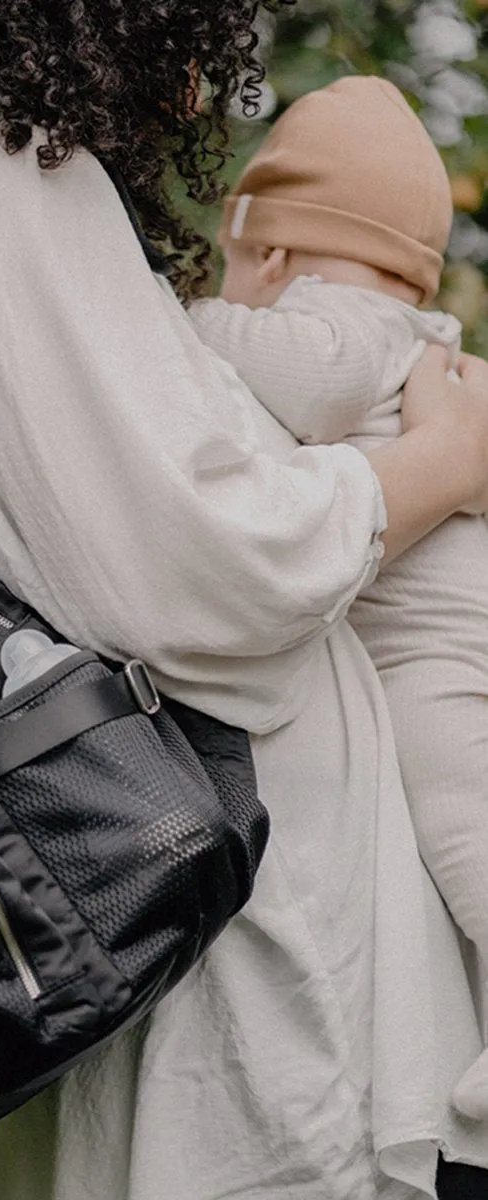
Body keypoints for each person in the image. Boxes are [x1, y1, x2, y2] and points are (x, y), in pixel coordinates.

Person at [0, 3, 488, 1196]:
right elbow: (202, 569)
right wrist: (445, 463)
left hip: (135, 953)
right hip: (229, 991)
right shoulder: (7, 186)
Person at [188, 74, 488, 1122]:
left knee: (463, 815)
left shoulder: (346, 322)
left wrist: (175, 321)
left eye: (234, 264)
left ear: (271, 251)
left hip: (435, 652)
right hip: (431, 640)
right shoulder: (409, 340)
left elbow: (303, 383)